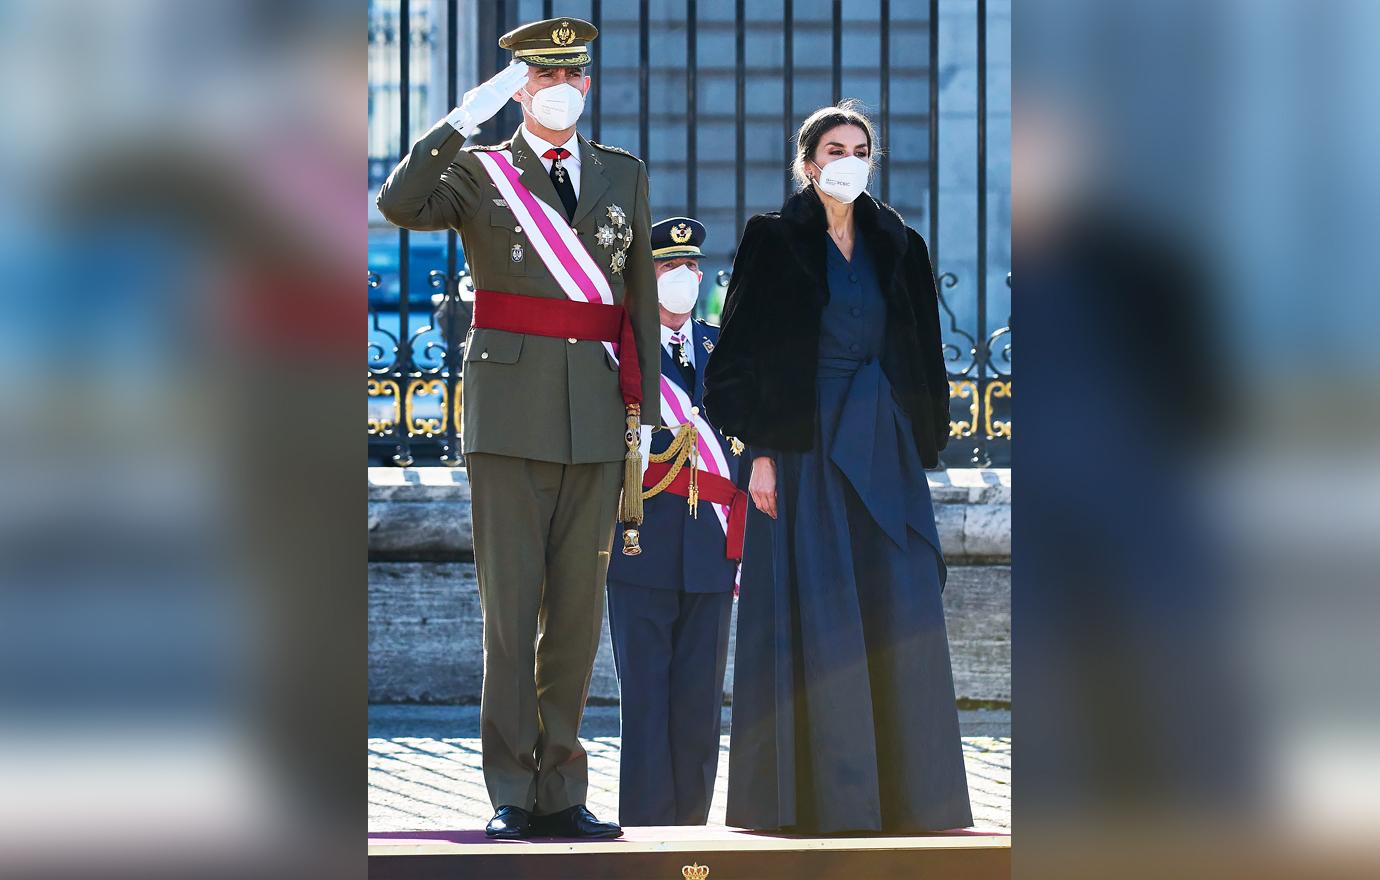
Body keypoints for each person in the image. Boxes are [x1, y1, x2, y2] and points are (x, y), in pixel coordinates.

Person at [376, 17, 661, 840]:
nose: (559, 88)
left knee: (577, 613)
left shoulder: (621, 173)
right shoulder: (478, 170)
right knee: (510, 613)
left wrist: (645, 407)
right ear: (519, 89)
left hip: (598, 419)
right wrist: (464, 119)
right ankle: (511, 787)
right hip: (507, 416)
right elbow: (398, 204)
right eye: (540, 78)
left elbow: (636, 295)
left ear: (588, 85)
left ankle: (562, 788)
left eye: (571, 75)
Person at [703, 101, 973, 833]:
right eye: (834, 148)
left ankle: (913, 798)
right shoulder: (772, 240)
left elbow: (923, 354)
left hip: (882, 442)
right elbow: (735, 361)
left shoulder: (899, 242)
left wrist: (922, 440)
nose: (848, 158)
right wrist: (757, 453)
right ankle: (822, 800)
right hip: (802, 447)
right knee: (818, 615)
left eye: (860, 148)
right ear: (808, 161)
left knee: (900, 604)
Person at [605, 218, 747, 826]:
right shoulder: (617, 353)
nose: (682, 278)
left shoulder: (727, 349)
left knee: (698, 703)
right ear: (645, 279)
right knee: (645, 698)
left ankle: (691, 829)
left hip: (711, 548)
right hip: (640, 544)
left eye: (690, 267)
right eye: (667, 268)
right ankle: (644, 827)